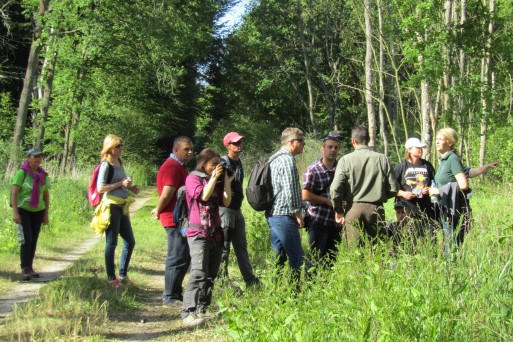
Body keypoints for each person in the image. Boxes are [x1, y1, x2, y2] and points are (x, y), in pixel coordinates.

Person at [181, 148, 234, 327]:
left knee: (211, 273)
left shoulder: (216, 180)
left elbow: (226, 202)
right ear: (203, 163)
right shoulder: (192, 178)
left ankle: (203, 307)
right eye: (213, 164)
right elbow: (203, 196)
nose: (216, 167)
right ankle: (188, 310)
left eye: (218, 164)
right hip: (198, 233)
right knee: (198, 273)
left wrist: (226, 181)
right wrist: (212, 178)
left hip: (216, 232)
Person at [330, 125, 397, 247]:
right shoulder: (382, 159)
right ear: (369, 139)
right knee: (378, 250)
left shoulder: (345, 160)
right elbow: (393, 188)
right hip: (376, 209)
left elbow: (335, 189)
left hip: (353, 209)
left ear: (353, 141)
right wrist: (380, 195)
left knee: (355, 251)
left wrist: (338, 210)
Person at [151, 136, 193, 306]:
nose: (190, 152)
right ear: (176, 150)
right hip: (173, 218)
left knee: (183, 256)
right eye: (186, 149)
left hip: (180, 218)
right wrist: (159, 209)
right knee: (176, 257)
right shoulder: (172, 166)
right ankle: (169, 296)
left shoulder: (179, 166)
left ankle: (176, 292)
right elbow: (167, 193)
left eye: (191, 149)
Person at [97, 134, 140, 288]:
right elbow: (100, 188)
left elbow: (121, 183)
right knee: (112, 242)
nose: (121, 149)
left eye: (121, 146)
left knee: (130, 241)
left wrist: (131, 187)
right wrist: (120, 183)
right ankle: (110, 278)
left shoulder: (119, 162)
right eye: (118, 146)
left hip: (122, 205)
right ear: (110, 148)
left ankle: (122, 275)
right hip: (111, 206)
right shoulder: (105, 165)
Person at [217, 132, 260, 287]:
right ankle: (222, 280)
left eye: (241, 142)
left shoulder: (238, 162)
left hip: (237, 209)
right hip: (224, 209)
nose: (240, 145)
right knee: (224, 246)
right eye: (236, 143)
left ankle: (250, 280)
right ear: (228, 145)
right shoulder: (222, 163)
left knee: (241, 247)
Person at [266, 127, 305, 285]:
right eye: (301, 141)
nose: (304, 144)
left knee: (279, 256)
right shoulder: (287, 159)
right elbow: (291, 190)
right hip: (284, 215)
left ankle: (276, 291)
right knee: (297, 256)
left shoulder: (274, 157)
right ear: (292, 142)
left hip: (273, 214)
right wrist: (298, 213)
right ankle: (294, 294)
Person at [428, 128, 474, 251]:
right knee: (448, 242)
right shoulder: (444, 160)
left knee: (452, 244)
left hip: (454, 209)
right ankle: (449, 267)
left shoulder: (453, 159)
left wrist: (439, 191)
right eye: (436, 139)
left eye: (440, 139)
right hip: (445, 207)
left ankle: (453, 268)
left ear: (449, 142)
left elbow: (463, 184)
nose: (437, 142)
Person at [302, 132, 342, 272]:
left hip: (336, 222)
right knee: (314, 258)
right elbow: (305, 195)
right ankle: (310, 288)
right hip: (318, 220)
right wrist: (326, 201)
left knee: (331, 260)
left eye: (336, 147)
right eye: (330, 147)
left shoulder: (342, 169)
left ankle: (325, 288)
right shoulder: (313, 170)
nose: (333, 150)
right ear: (322, 149)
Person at [11, 147, 50, 281]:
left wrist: (46, 214)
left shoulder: (43, 175)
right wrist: (15, 212)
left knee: (33, 239)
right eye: (35, 156)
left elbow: (46, 195)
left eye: (40, 156)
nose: (38, 159)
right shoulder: (22, 173)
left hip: (38, 210)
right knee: (26, 238)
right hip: (23, 209)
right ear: (28, 158)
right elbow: (14, 193)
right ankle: (24, 268)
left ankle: (30, 267)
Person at [393, 137, 437, 236]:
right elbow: (389, 187)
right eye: (417, 147)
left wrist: (429, 190)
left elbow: (435, 184)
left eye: (421, 148)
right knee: (407, 235)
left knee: (427, 235)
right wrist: (403, 194)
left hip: (425, 207)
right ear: (409, 150)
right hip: (406, 207)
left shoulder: (427, 166)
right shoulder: (401, 167)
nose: (420, 150)